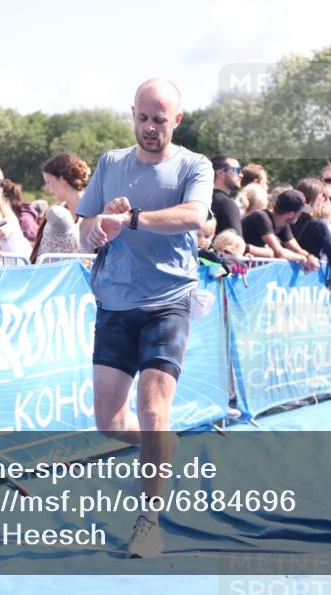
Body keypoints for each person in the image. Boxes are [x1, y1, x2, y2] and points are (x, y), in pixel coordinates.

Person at [76, 78, 211, 559]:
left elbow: (196, 216)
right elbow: (84, 225)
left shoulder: (194, 165)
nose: (150, 127)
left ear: (177, 120)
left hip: (168, 300)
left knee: (153, 411)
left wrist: (132, 218)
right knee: (110, 423)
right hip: (113, 303)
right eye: (143, 117)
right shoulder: (111, 162)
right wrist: (97, 230)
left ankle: (148, 522)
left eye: (161, 119)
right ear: (132, 113)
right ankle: (162, 446)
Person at [292, 178, 331, 298]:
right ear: (314, 198)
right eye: (323, 195)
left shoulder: (289, 221)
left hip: (291, 276)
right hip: (309, 281)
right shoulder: (318, 225)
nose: (325, 199)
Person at [30, 153, 90, 263]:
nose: (47, 189)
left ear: (62, 178)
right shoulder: (54, 212)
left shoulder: (96, 211)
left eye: (48, 181)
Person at [241, 190, 319, 267]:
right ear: (291, 214)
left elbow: (297, 250)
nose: (300, 215)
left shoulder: (283, 224)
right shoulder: (261, 217)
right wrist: (303, 258)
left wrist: (310, 257)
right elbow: (279, 253)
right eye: (300, 212)